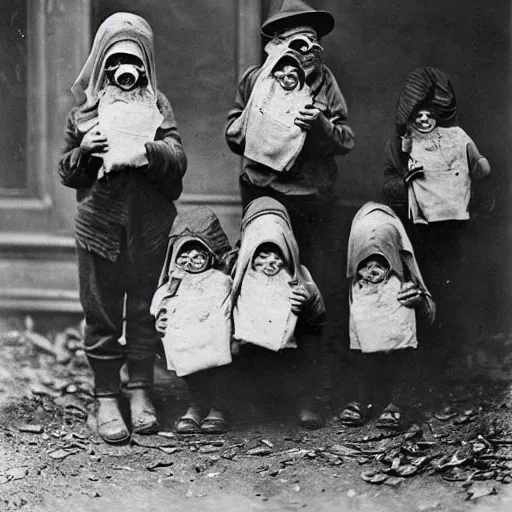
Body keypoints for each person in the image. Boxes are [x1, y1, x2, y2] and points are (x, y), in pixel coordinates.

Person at [225, 0, 355, 427]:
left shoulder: (325, 83)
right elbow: (233, 131)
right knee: (264, 284)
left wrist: (317, 124)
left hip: (313, 198)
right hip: (265, 195)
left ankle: (313, 393)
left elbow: (345, 139)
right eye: (293, 39)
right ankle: (265, 392)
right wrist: (251, 122)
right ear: (276, 43)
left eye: (311, 40)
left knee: (310, 289)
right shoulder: (255, 79)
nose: (304, 48)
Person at [58, 13, 187, 443]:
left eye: (133, 63)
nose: (123, 73)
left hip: (149, 227)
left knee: (144, 309)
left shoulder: (158, 106)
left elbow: (177, 164)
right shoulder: (84, 113)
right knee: (102, 311)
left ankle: (140, 391)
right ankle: (107, 396)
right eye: (114, 63)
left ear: (145, 66)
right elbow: (66, 172)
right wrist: (84, 150)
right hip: (99, 228)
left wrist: (150, 150)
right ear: (103, 66)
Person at [382, 67, 492, 384]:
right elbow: (386, 188)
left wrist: (473, 191)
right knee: (419, 292)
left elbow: (481, 184)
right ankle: (420, 366)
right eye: (417, 115)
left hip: (453, 233)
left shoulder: (456, 140)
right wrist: (407, 183)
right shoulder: (398, 146)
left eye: (432, 114)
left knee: (452, 291)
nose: (425, 121)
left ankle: (451, 365)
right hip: (416, 232)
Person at [231, 197, 326, 428]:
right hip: (251, 355)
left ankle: (306, 401)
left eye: (277, 255)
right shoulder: (236, 271)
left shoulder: (299, 274)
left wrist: (308, 300)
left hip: (287, 358)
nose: (271, 262)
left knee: (312, 337)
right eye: (262, 255)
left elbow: (319, 316)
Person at [339, 202, 435, 429]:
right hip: (367, 349)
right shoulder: (351, 282)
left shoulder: (405, 278)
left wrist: (417, 300)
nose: (371, 272)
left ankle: (399, 403)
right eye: (365, 265)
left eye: (379, 264)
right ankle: (362, 399)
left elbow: (429, 312)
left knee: (405, 358)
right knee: (360, 359)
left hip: (399, 350)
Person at [151, 208, 233, 434]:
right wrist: (160, 321)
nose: (191, 262)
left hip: (213, 336)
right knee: (192, 372)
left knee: (217, 369)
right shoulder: (173, 284)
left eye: (198, 256)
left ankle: (218, 407)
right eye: (184, 257)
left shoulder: (221, 281)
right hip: (186, 336)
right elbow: (160, 307)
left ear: (209, 256)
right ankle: (196, 405)